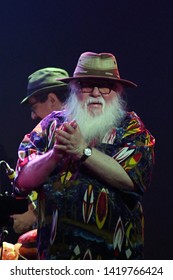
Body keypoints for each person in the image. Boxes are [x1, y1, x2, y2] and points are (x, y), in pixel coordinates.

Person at [14, 52, 155, 260]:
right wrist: (54, 155)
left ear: (117, 91)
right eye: (87, 85)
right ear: (74, 90)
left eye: (104, 86)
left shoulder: (131, 127)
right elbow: (22, 179)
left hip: (115, 260)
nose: (96, 93)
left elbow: (132, 180)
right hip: (57, 257)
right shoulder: (51, 124)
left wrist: (83, 152)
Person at [11, 67, 69, 234]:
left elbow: (21, 184)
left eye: (33, 106)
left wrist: (33, 215)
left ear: (51, 99)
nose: (33, 116)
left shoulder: (38, 135)